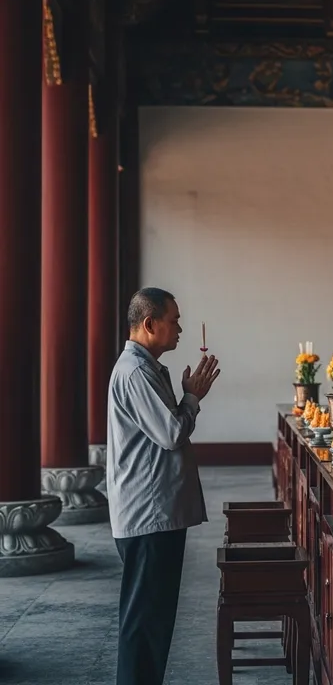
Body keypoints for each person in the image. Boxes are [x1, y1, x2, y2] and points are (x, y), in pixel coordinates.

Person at [107, 287, 221, 685]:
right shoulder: (136, 372)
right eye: (174, 321)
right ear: (149, 323)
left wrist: (188, 397)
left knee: (152, 625)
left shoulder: (147, 368)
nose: (180, 329)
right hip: (148, 515)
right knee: (143, 627)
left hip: (155, 513)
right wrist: (192, 398)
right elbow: (171, 433)